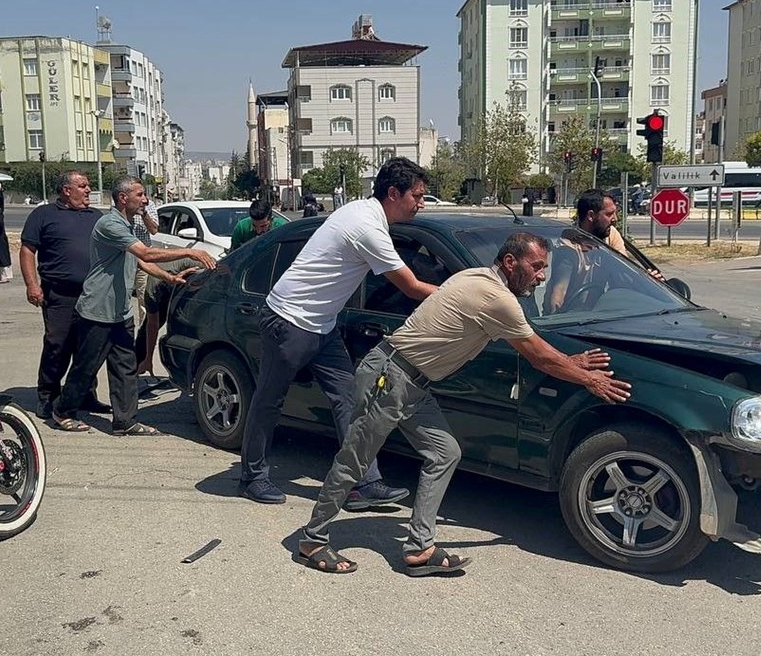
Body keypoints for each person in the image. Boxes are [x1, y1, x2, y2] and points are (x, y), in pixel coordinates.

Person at [295, 232, 632, 575]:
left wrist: (572, 362)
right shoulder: (496, 298)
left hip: (412, 382)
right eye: (536, 267)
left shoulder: (474, 276)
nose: (541, 276)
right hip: (391, 376)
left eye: (544, 268)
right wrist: (589, 378)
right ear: (510, 262)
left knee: (444, 452)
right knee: (355, 460)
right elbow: (538, 357)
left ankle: (419, 549)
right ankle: (312, 540)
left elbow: (539, 349)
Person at [240, 157, 437, 505]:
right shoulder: (367, 227)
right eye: (417, 196)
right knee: (269, 400)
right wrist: (467, 296)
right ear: (394, 193)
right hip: (288, 320)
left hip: (323, 325)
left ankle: (364, 483)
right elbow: (410, 287)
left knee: (352, 400)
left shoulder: (365, 212)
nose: (421, 203)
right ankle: (252, 477)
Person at [50, 176, 216, 434]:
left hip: (120, 311)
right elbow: (146, 253)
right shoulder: (109, 224)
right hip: (98, 310)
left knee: (125, 368)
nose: (145, 199)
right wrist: (190, 252)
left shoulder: (126, 225)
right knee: (86, 365)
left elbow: (142, 262)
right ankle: (62, 411)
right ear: (123, 198)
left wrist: (169, 277)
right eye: (140, 194)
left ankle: (125, 421)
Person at [19, 170, 112, 420]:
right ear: (66, 190)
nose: (88, 190)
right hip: (59, 294)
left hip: (93, 295)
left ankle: (84, 395)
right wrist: (32, 285)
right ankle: (47, 394)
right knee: (57, 345)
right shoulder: (44, 215)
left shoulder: (96, 217)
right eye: (82, 186)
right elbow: (27, 251)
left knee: (88, 348)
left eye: (88, 185)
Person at [544, 189, 662, 313]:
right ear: (591, 216)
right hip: (570, 317)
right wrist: (555, 321)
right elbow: (558, 293)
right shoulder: (568, 246)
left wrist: (647, 281)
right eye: (609, 214)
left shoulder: (610, 235)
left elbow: (624, 274)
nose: (615, 219)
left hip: (599, 315)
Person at [135, 257, 203, 378]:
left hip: (192, 290)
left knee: (187, 328)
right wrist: (148, 358)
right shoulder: (152, 293)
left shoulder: (189, 263)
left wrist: (198, 280)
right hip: (166, 291)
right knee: (146, 332)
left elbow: (220, 266)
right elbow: (152, 326)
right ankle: (137, 365)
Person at [127, 184, 160, 329]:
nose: (143, 198)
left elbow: (153, 230)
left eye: (144, 194)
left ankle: (142, 335)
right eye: (139, 195)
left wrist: (143, 213)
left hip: (144, 259)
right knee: (123, 296)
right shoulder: (122, 207)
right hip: (126, 257)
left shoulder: (150, 206)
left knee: (144, 299)